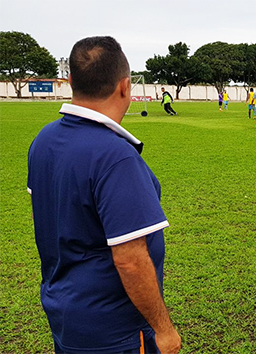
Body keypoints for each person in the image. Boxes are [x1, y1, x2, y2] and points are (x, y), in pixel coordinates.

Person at [27, 36, 181, 353]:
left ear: (71, 81)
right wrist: (163, 330)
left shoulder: (43, 140)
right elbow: (131, 260)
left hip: (65, 315)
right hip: (116, 330)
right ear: (125, 86)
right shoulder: (116, 157)